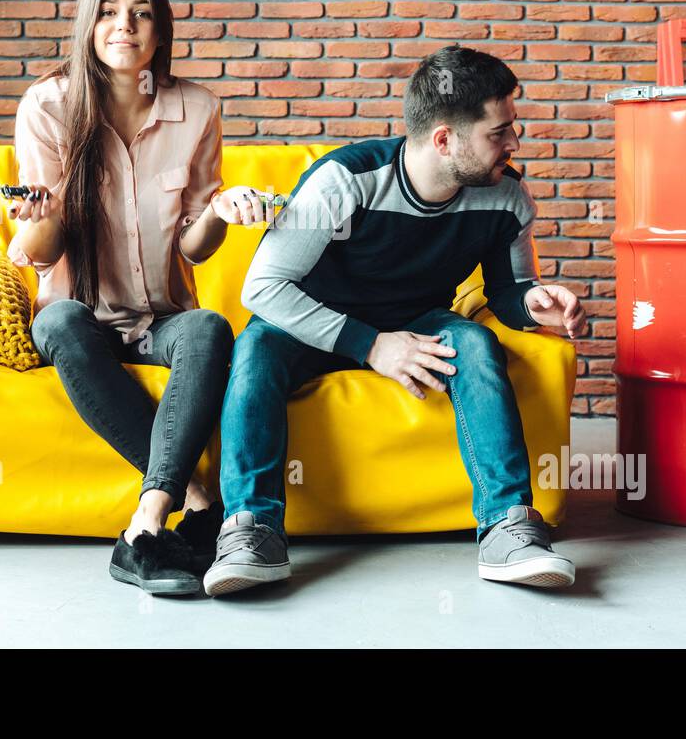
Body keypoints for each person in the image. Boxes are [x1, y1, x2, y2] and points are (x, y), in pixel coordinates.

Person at [204, 44, 588, 597]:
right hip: (309, 319)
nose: (514, 143)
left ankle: (509, 528)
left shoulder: (506, 196)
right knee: (255, 352)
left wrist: (533, 303)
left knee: (475, 344)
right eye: (498, 132)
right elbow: (265, 289)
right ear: (444, 140)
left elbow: (507, 289)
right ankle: (251, 530)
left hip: (415, 318)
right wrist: (372, 345)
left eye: (513, 128)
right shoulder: (344, 180)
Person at [7, 0, 269, 595]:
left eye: (141, 13)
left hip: (162, 319)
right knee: (62, 322)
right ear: (87, 24)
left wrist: (217, 213)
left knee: (208, 328)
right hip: (80, 318)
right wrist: (45, 209)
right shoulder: (47, 105)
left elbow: (194, 247)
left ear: (161, 30)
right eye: (108, 12)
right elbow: (39, 252)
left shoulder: (198, 109)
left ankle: (144, 527)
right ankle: (198, 501)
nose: (123, 26)